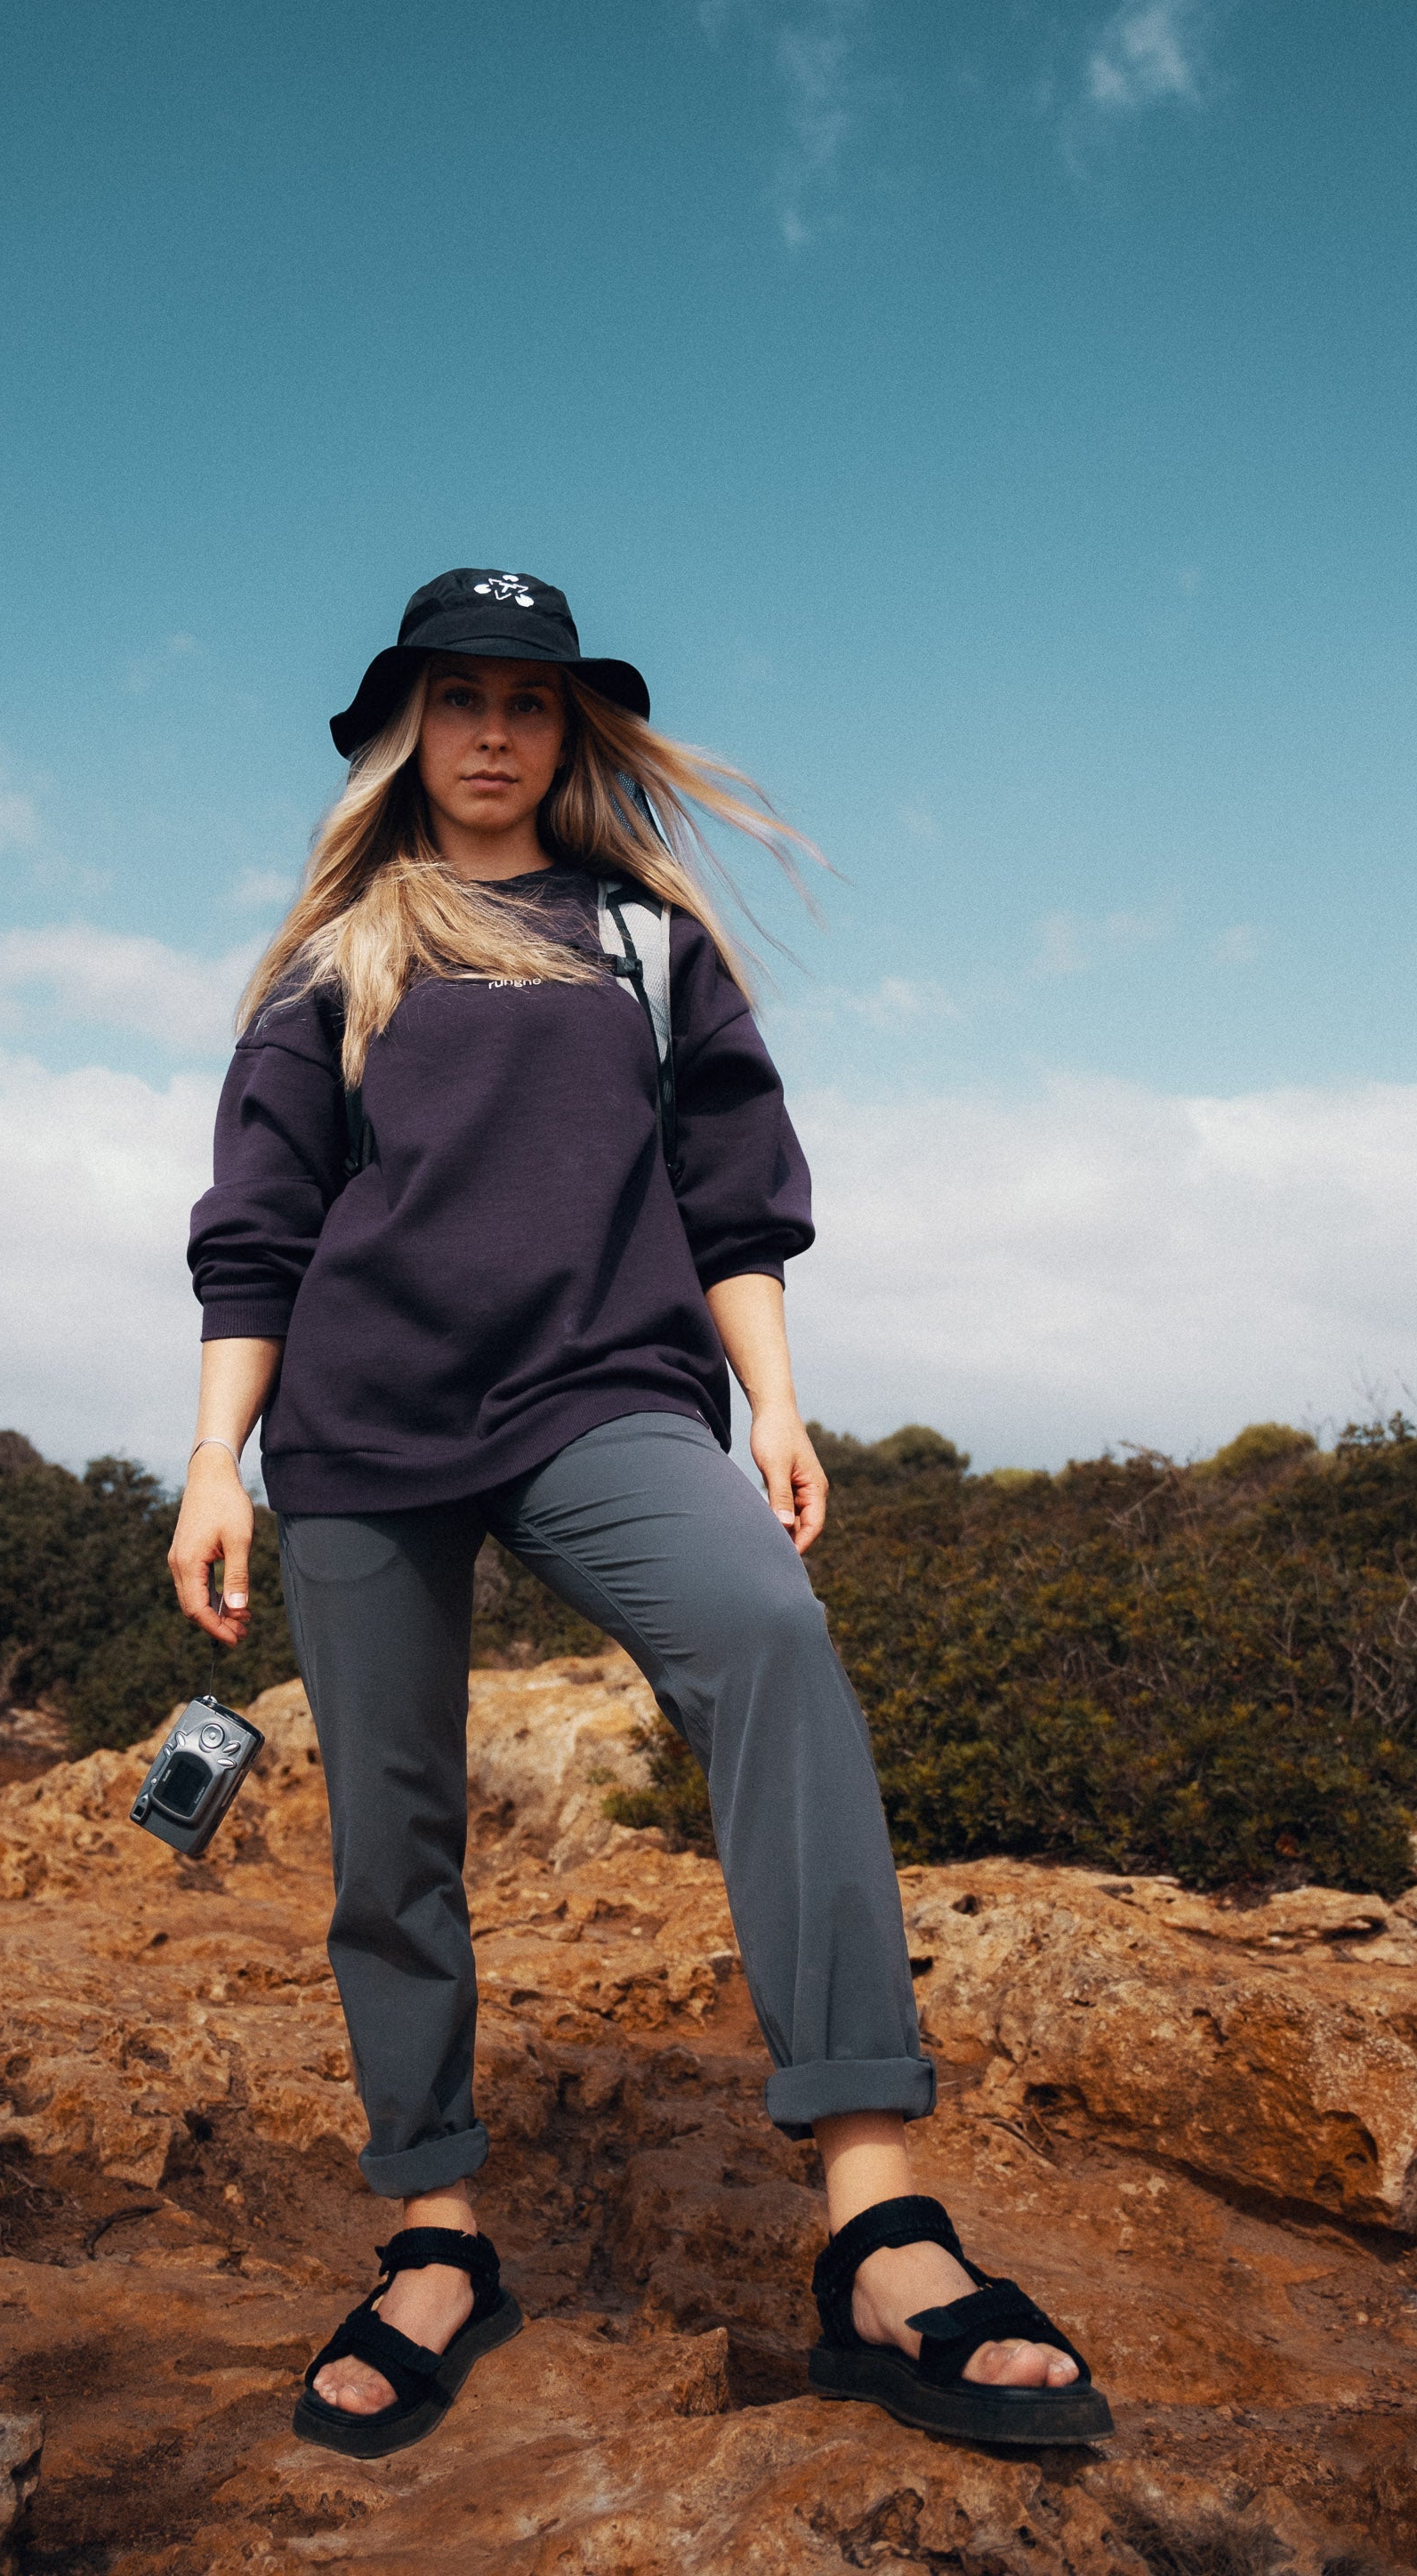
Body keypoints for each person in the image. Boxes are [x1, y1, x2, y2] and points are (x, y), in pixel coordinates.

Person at [170, 567, 1110, 2460]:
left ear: (569, 730)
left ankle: (879, 2223)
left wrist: (775, 1404)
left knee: (766, 1636)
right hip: (360, 1427)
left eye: (528, 701)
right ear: (405, 729)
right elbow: (259, 1229)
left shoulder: (643, 938)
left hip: (604, 1395)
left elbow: (732, 1196)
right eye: (458, 698)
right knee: (390, 1834)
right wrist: (214, 1460)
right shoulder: (336, 954)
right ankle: (436, 2240)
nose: (493, 732)